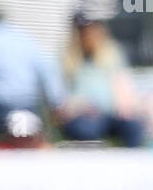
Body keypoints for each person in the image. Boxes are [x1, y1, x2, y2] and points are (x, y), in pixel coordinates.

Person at [0, 8, 65, 146]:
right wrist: (56, 102)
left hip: (0, 107)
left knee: (2, 145)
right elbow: (46, 68)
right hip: (30, 104)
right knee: (36, 143)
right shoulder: (23, 37)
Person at [59, 12, 144, 147]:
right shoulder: (67, 60)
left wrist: (126, 106)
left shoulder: (112, 54)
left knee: (133, 127)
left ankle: (131, 164)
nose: (88, 36)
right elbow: (60, 97)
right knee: (86, 130)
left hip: (110, 115)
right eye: (83, 31)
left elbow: (123, 84)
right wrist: (77, 105)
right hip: (83, 116)